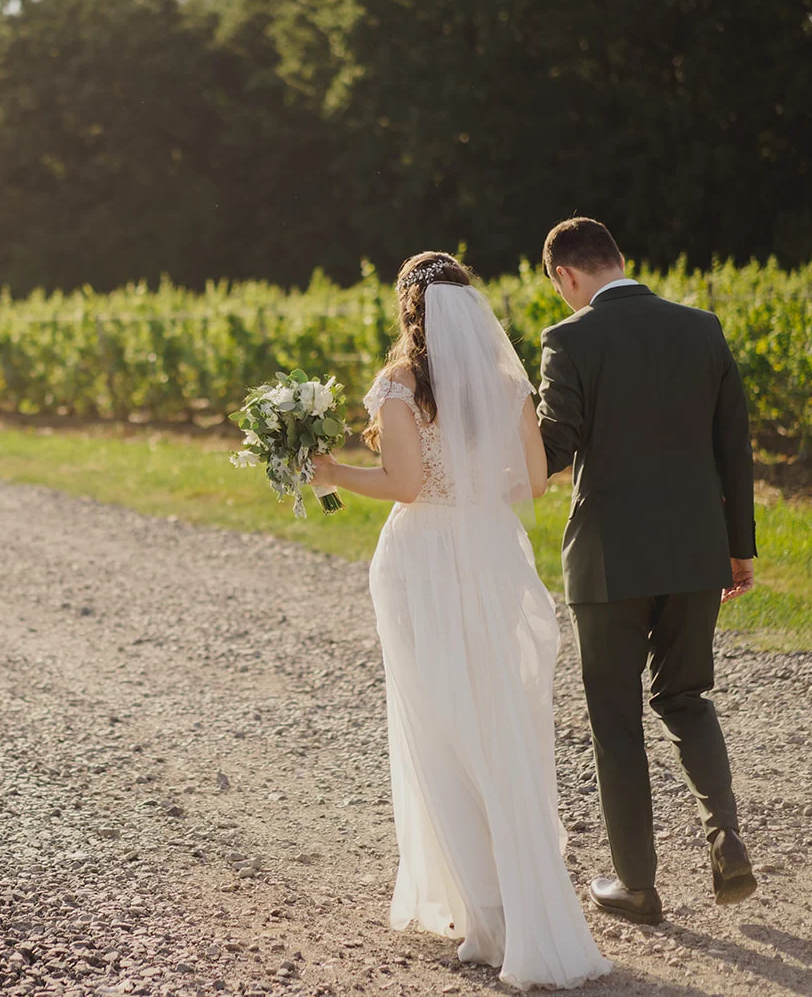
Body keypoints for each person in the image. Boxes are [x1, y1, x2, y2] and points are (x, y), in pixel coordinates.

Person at [311, 251, 612, 990]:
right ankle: (518, 910)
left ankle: (487, 917)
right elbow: (535, 479)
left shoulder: (401, 385)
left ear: (407, 307)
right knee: (499, 723)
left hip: (424, 562)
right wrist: (475, 489)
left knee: (441, 727)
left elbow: (406, 483)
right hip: (491, 551)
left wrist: (332, 473)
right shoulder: (506, 383)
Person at [534, 217, 757, 926]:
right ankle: (724, 833)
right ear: (619, 260)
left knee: (615, 720)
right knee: (686, 695)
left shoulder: (568, 341)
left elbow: (555, 451)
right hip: (697, 551)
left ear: (566, 276)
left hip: (608, 561)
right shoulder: (703, 328)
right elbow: (735, 448)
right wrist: (738, 547)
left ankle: (637, 886)